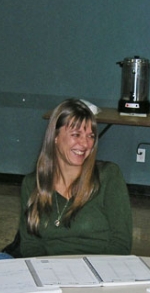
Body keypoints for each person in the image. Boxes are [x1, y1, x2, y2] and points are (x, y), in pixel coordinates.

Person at [14, 98, 132, 258]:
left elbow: (121, 244)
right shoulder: (32, 184)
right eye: (76, 134)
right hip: (50, 272)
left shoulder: (108, 176)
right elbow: (30, 244)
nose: (85, 143)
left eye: (90, 136)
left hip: (98, 271)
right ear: (55, 137)